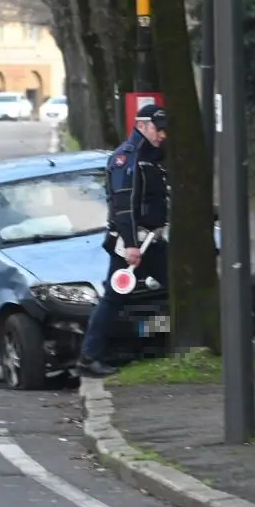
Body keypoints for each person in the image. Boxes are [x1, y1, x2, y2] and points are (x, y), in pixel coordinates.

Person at [77, 103, 169, 378]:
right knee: (113, 298)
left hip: (150, 241)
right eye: (158, 129)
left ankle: (153, 343)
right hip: (135, 243)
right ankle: (89, 357)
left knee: (175, 287)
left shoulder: (151, 156)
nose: (163, 135)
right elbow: (124, 206)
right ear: (142, 126)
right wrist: (130, 244)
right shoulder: (127, 157)